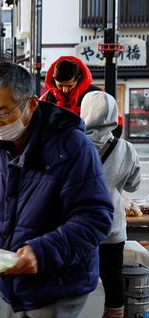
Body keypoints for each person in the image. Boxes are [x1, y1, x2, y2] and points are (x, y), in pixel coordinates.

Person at [0, 62, 113, 317]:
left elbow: (95, 217)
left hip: (58, 282)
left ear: (31, 104)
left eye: (3, 113)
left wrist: (42, 251)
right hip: (8, 278)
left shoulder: (72, 146)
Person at [80, 91, 141, 318]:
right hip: (112, 226)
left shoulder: (74, 142)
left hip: (79, 226)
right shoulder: (126, 148)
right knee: (113, 277)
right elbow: (134, 185)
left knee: (79, 277)